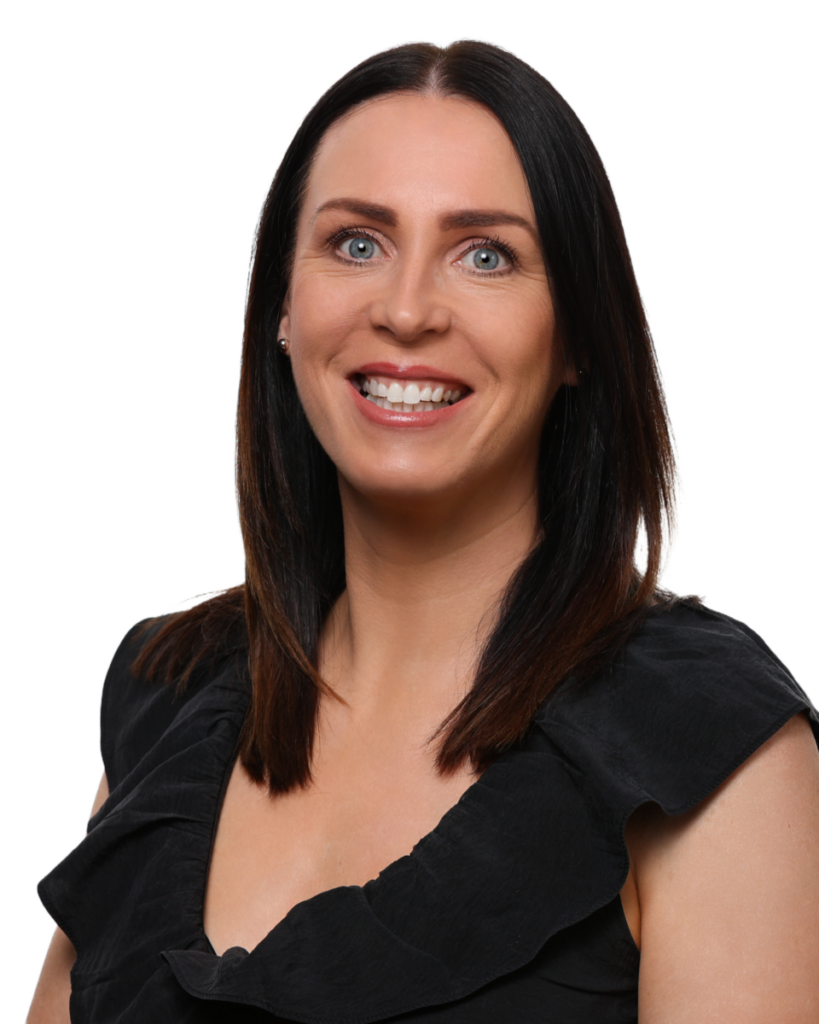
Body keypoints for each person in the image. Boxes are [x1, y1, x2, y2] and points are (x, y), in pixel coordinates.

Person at [29, 37, 819, 1023]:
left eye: (485, 255)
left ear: (577, 334)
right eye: (358, 243)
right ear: (280, 303)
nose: (406, 310)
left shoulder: (705, 739)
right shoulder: (167, 693)